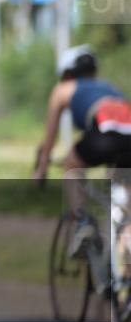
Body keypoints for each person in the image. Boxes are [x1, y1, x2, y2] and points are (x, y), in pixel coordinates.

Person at [34, 45, 131, 246]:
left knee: (72, 165)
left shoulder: (63, 89)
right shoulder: (111, 88)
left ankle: (83, 222)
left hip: (104, 134)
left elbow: (50, 137)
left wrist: (42, 168)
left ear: (67, 74)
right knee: (123, 204)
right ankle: (124, 270)